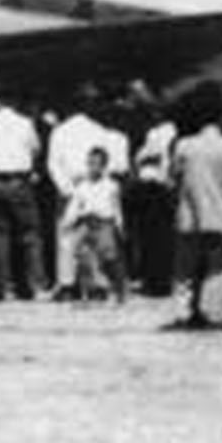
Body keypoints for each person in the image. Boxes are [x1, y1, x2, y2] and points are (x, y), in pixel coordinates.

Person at [169, 86, 222, 330]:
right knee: (218, 267)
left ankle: (184, 312)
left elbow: (174, 178)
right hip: (221, 212)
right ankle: (214, 313)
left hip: (189, 213)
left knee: (185, 270)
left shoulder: (184, 146)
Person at [47, 86, 129, 296]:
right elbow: (108, 161)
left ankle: (67, 282)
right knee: (93, 235)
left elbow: (53, 163)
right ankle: (95, 282)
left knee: (67, 235)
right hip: (91, 185)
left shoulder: (61, 130)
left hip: (72, 183)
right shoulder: (100, 131)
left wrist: (64, 187)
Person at [0, 84, 45, 300]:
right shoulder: (25, 123)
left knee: (0, 236)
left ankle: (1, 287)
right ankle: (30, 284)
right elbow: (36, 150)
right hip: (20, 181)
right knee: (28, 235)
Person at [61, 147, 126, 303]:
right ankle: (91, 290)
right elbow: (75, 205)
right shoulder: (82, 186)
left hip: (104, 223)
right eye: (90, 163)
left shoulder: (112, 185)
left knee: (108, 256)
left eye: (96, 164)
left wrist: (120, 224)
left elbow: (116, 207)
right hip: (86, 222)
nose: (93, 167)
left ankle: (116, 287)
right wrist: (67, 222)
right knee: (84, 256)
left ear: (104, 166)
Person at [129, 101, 179, 297]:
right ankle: (159, 279)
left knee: (153, 238)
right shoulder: (167, 132)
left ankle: (155, 280)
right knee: (160, 238)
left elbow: (149, 157)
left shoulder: (159, 133)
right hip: (160, 188)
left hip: (155, 188)